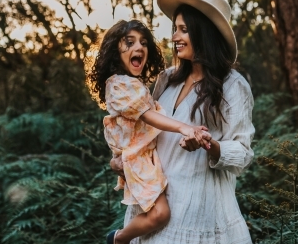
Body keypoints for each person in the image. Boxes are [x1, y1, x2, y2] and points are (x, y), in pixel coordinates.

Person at [111, 0, 255, 244]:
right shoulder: (166, 79)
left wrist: (209, 145)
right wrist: (120, 160)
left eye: (184, 30)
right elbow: (144, 132)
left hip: (199, 215)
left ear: (204, 33)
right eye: (175, 29)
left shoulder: (233, 85)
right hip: (154, 209)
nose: (174, 37)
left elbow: (243, 154)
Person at [86, 19, 212, 244]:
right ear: (115, 50)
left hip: (145, 158)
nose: (139, 47)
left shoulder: (134, 83)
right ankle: (118, 239)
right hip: (139, 160)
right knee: (161, 214)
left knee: (159, 213)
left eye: (143, 43)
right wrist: (184, 127)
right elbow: (147, 115)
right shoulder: (118, 85)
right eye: (129, 42)